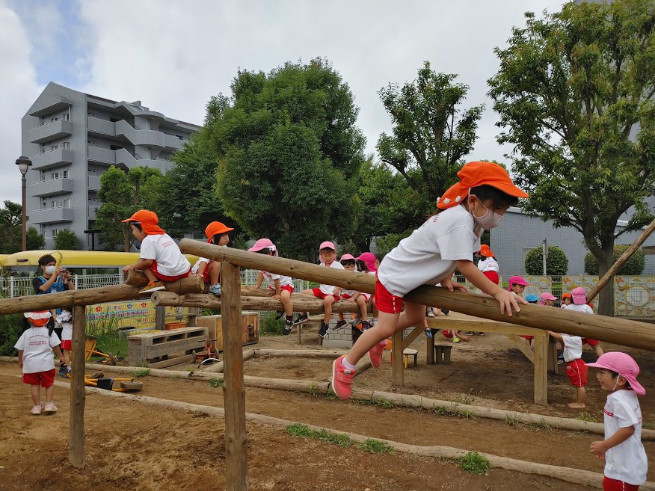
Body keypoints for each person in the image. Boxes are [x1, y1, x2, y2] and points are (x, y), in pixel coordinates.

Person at [331, 160, 529, 399]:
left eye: (503, 210)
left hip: (415, 279)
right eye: (496, 208)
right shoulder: (460, 220)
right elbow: (466, 265)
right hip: (396, 277)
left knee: (415, 317)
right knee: (385, 326)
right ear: (474, 200)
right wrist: (499, 292)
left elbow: (451, 256)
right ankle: (346, 364)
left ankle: (377, 341)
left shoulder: (471, 222)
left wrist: (445, 279)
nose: (499, 215)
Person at [587, 352, 647, 489]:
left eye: (602, 373)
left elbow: (628, 428)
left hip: (622, 472)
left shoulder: (617, 399)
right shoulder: (628, 395)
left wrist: (605, 445)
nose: (598, 377)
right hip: (625, 464)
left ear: (621, 380)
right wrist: (607, 450)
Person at [122, 209, 191, 294]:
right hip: (185, 270)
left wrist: (132, 266)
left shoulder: (148, 240)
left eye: (133, 229)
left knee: (143, 262)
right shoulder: (164, 235)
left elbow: (147, 262)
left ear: (142, 227)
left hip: (171, 274)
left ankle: (155, 282)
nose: (133, 233)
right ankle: (191, 276)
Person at [14, 311, 64, 415]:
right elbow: (56, 347)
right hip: (46, 364)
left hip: (31, 365)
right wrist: (61, 356)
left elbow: (21, 350)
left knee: (34, 385)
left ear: (30, 320)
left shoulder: (26, 333)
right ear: (46, 320)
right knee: (49, 384)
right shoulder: (48, 332)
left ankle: (37, 406)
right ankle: (49, 404)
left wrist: (20, 360)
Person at [33, 253, 75, 374]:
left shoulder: (60, 280)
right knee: (47, 342)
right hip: (44, 316)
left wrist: (68, 278)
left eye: (53, 265)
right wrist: (54, 276)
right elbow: (44, 288)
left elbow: (72, 291)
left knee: (62, 343)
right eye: (49, 265)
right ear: (42, 267)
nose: (52, 267)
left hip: (62, 317)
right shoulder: (37, 280)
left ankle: (64, 367)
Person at [248, 238, 296, 335]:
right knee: (270, 295)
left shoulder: (273, 264)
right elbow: (261, 274)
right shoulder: (262, 264)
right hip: (274, 287)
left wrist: (278, 293)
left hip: (285, 285)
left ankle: (289, 320)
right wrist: (258, 285)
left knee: (284, 297)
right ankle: (280, 309)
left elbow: (277, 280)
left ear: (269, 254)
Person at [300, 241, 344, 338]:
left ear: (334, 255)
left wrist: (338, 289)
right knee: (303, 292)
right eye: (325, 255)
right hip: (322, 290)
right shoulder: (321, 265)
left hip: (332, 293)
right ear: (321, 256)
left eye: (330, 254)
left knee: (327, 301)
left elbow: (344, 279)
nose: (328, 257)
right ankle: (303, 315)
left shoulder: (337, 265)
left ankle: (326, 324)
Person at [191, 221, 234, 296]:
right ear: (214, 238)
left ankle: (221, 284)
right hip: (201, 273)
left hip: (211, 273)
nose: (226, 238)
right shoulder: (209, 248)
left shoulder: (224, 248)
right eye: (223, 236)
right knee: (216, 262)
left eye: (227, 235)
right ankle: (214, 286)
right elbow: (203, 262)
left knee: (227, 264)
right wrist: (200, 275)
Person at [547, 329, 588, 408]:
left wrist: (548, 331)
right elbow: (561, 336)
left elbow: (558, 336)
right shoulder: (570, 336)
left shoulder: (575, 339)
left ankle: (580, 403)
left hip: (576, 363)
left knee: (580, 385)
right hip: (573, 363)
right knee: (578, 384)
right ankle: (579, 401)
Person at [337, 254, 370, 341]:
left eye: (352, 266)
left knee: (361, 301)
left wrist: (353, 298)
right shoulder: (341, 275)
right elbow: (339, 286)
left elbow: (360, 288)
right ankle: (341, 320)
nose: (350, 269)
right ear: (342, 267)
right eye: (347, 267)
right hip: (349, 294)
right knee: (337, 300)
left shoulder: (357, 274)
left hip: (359, 292)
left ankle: (364, 321)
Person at [564, 287, 604, 357]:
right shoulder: (586, 307)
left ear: (572, 298)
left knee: (578, 347)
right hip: (588, 331)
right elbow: (592, 320)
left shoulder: (568, 308)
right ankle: (604, 361)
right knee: (596, 346)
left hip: (575, 332)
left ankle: (578, 362)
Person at [55, 310, 72, 378]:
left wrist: (53, 312)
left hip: (66, 337)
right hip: (75, 337)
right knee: (73, 353)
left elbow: (56, 320)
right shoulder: (74, 313)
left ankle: (68, 369)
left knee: (66, 354)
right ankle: (74, 367)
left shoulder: (64, 314)